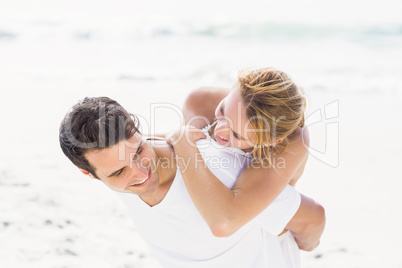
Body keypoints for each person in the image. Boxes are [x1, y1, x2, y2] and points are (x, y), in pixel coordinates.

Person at [59, 96, 325, 267]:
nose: (140, 173)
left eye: (139, 151)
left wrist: (301, 242)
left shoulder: (220, 171)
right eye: (118, 173)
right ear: (90, 174)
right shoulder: (115, 156)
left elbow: (313, 218)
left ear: (140, 134)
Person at [166, 67, 323, 256]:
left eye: (237, 134)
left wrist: (184, 141)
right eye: (223, 111)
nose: (219, 131)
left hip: (267, 229)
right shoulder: (201, 102)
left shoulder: (293, 142)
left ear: (271, 141)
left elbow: (225, 222)